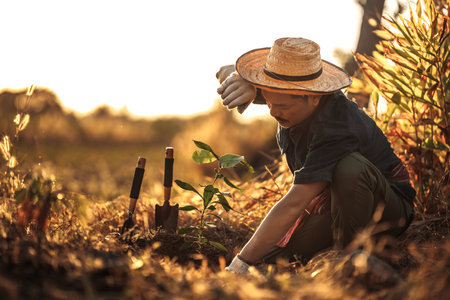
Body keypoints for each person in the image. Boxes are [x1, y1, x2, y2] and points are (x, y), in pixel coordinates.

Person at [216, 37, 415, 273]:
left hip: (387, 207)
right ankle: (337, 251)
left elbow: (296, 201)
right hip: (335, 205)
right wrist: (247, 81)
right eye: (268, 101)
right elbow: (274, 94)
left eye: (282, 107)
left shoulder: (337, 125)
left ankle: (351, 258)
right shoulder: (290, 104)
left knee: (350, 167)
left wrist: (240, 264)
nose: (273, 111)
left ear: (314, 96)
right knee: (273, 259)